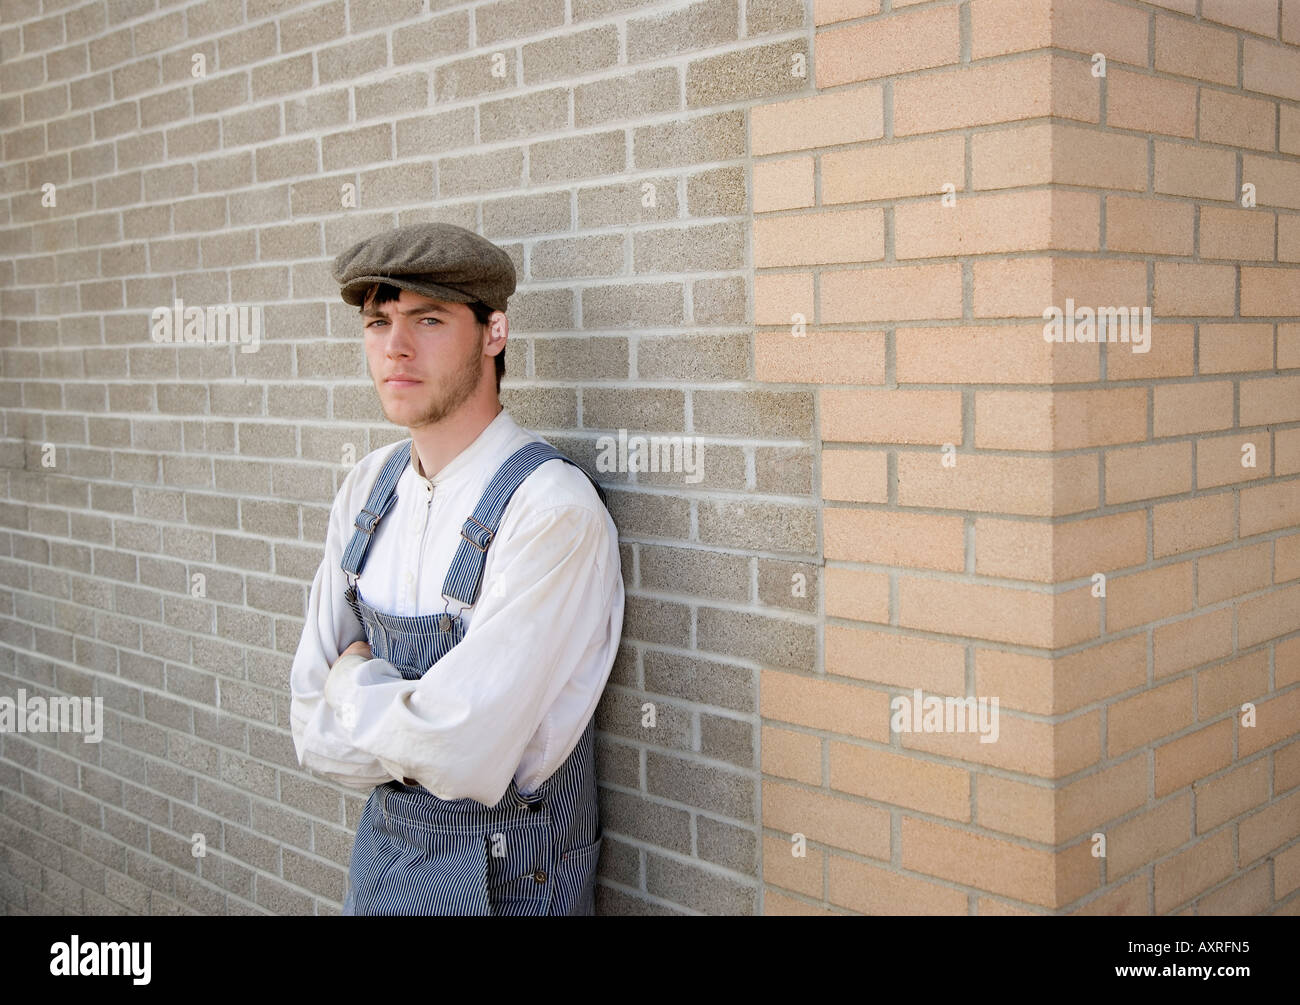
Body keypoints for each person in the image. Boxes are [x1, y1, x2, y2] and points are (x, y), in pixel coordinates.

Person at [289, 221, 624, 915]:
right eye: (378, 322)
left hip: (506, 882)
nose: (395, 348)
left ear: (493, 332)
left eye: (428, 319)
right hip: (382, 869)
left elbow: (463, 751)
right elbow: (309, 730)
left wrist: (352, 680)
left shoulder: (549, 508)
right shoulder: (365, 491)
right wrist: (412, 722)